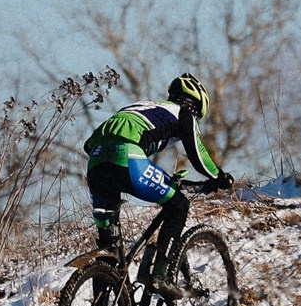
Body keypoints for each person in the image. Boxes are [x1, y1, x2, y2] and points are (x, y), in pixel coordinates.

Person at [82, 73, 229, 284]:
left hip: (95, 163)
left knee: (108, 251)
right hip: (128, 157)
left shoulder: (141, 106)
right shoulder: (184, 113)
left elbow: (88, 145)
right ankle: (161, 274)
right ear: (196, 106)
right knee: (178, 204)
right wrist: (219, 176)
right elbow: (198, 155)